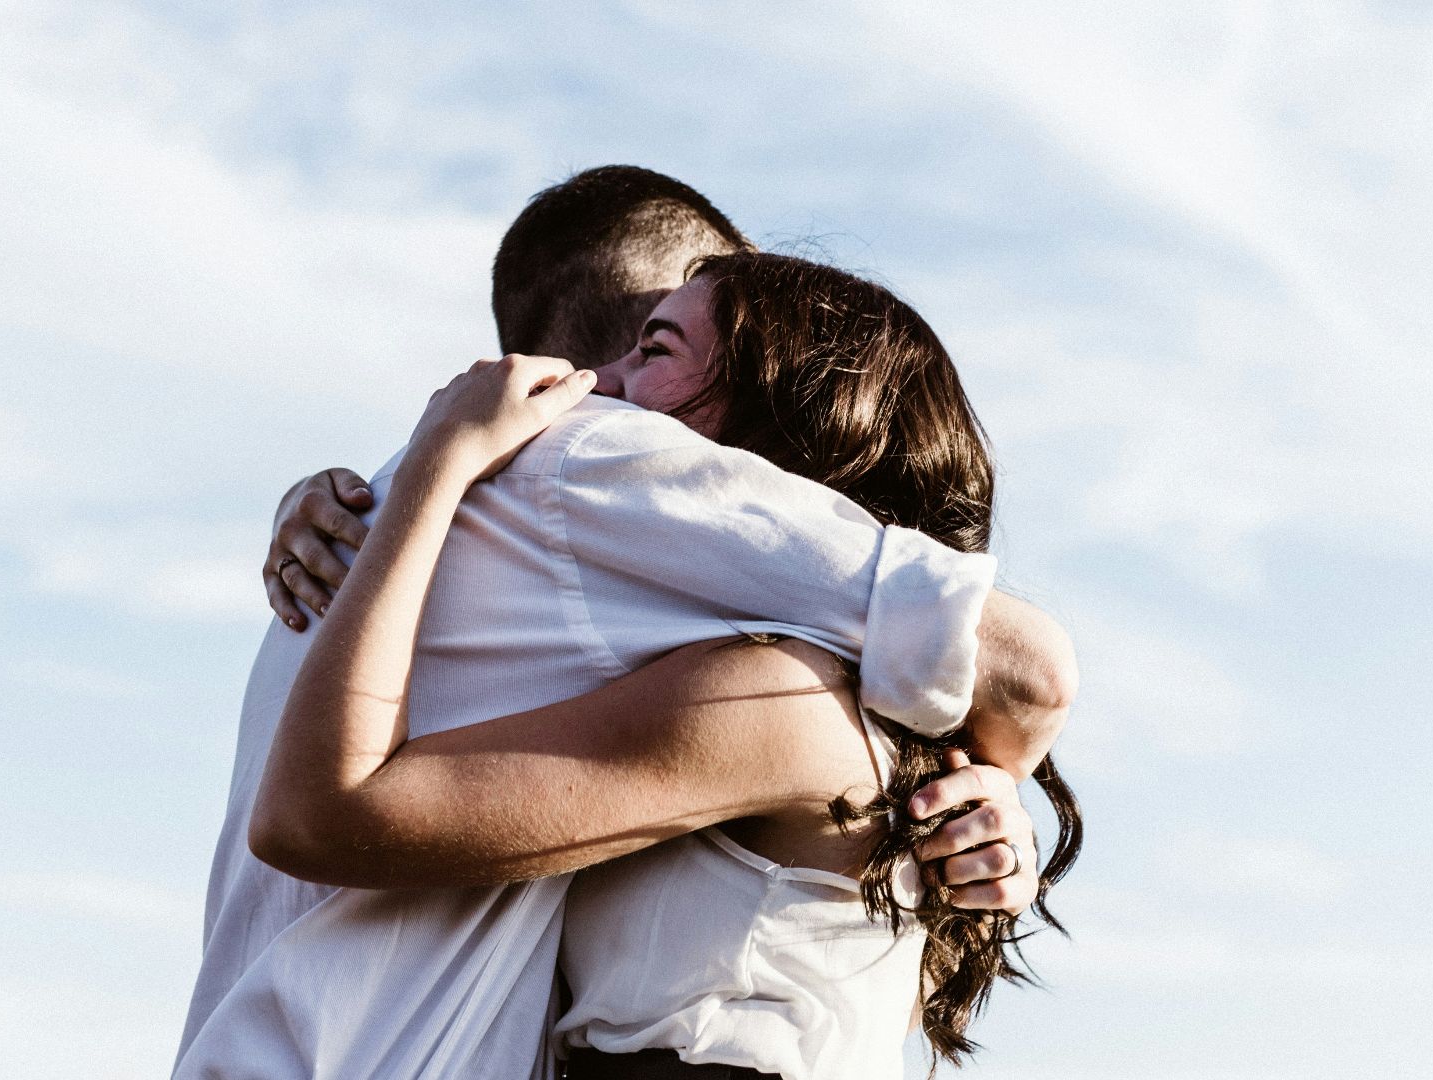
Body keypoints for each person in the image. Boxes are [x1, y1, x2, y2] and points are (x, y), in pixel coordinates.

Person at [174, 168, 1068, 1080]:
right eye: (654, 333)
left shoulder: (410, 513)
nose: (607, 386)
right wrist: (995, 779)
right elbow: (1025, 668)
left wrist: (976, 793)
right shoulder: (595, 465)